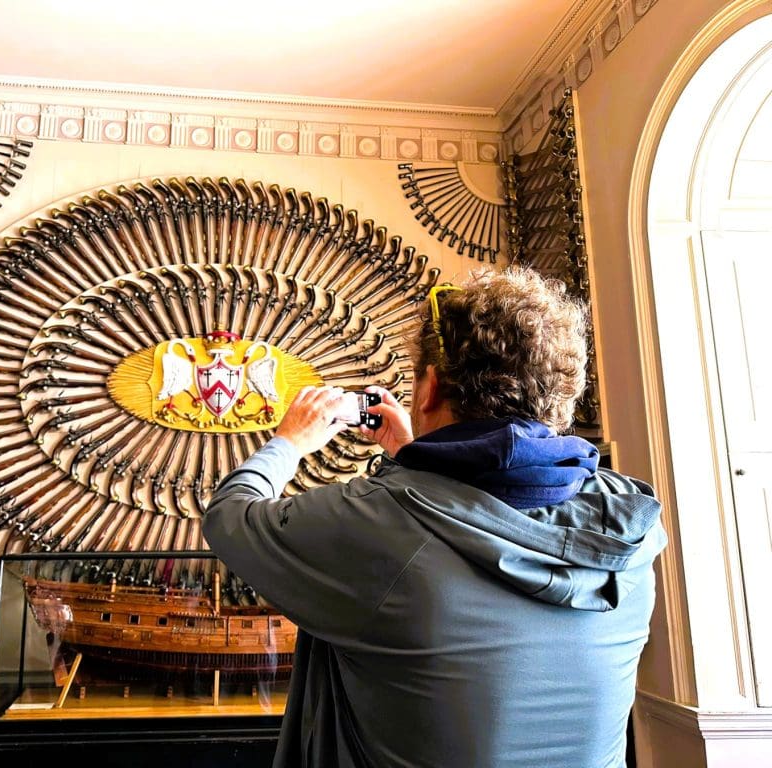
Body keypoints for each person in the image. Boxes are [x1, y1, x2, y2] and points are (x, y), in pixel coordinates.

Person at [203, 266, 667, 768]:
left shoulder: (375, 526)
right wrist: (413, 453)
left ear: (429, 389)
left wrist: (290, 441)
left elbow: (231, 516)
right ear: (562, 398)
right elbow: (487, 508)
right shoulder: (628, 523)